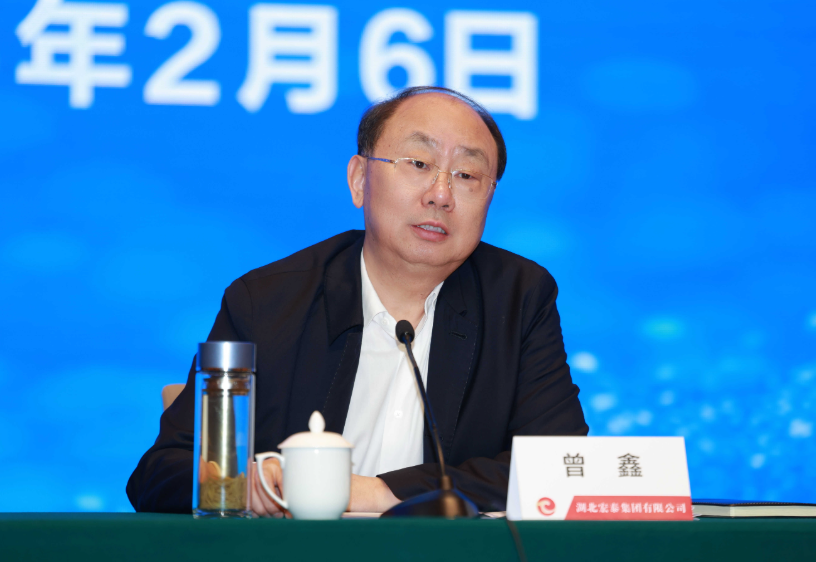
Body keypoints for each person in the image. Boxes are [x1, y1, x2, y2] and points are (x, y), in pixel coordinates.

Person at [127, 86, 588, 516]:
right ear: (359, 179)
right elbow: (160, 474)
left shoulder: (519, 297)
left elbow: (562, 465)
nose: (441, 194)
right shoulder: (267, 301)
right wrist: (242, 486)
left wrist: (377, 492)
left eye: (466, 175)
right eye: (418, 163)